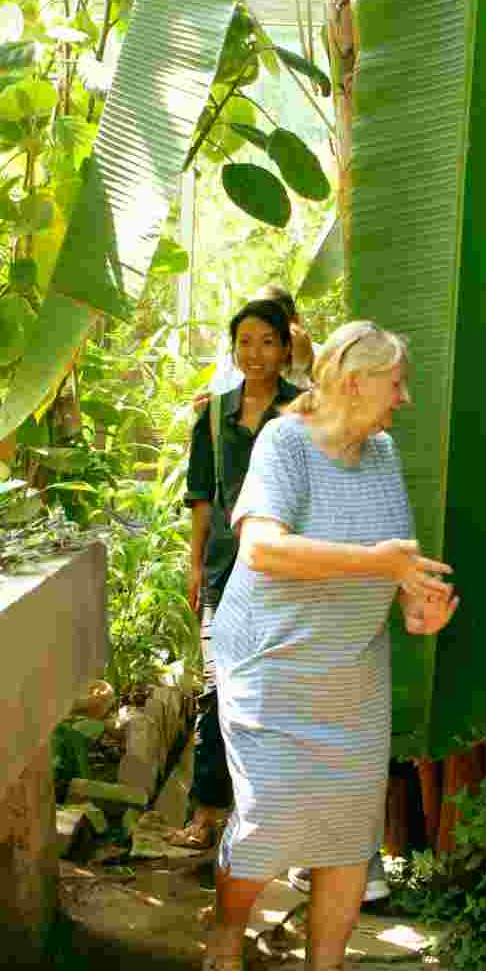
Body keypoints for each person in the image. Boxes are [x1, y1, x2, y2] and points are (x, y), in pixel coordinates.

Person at [200, 320, 459, 971]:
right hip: (273, 664)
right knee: (269, 816)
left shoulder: (380, 453)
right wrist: (381, 563)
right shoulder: (284, 444)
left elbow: (397, 562)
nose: (403, 399)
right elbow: (263, 552)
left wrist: (418, 607)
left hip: (351, 670)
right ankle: (227, 932)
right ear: (353, 383)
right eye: (395, 383)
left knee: (349, 828)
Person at [168, 298, 303, 851]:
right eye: (245, 342)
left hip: (286, 574)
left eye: (268, 342)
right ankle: (206, 812)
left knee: (277, 693)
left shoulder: (304, 411)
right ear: (234, 349)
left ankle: (270, 820)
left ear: (287, 349)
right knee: (216, 692)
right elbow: (202, 498)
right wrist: (195, 563)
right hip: (225, 574)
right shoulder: (214, 416)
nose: (255, 353)